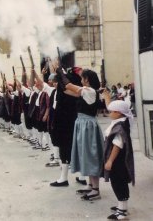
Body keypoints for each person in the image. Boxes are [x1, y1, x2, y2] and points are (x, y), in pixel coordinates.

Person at [56, 67, 104, 200]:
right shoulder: (85, 91)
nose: (81, 79)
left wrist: (62, 74)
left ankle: (95, 189)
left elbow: (70, 86)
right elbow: (67, 90)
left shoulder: (89, 91)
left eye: (82, 78)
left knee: (90, 155)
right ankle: (90, 185)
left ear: (87, 80)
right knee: (87, 155)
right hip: (83, 125)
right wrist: (60, 77)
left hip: (88, 126)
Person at [102, 92, 135, 220]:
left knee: (118, 183)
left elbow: (117, 145)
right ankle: (122, 206)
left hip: (117, 161)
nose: (109, 113)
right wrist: (107, 97)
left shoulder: (120, 126)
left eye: (111, 111)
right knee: (119, 182)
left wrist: (110, 161)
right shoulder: (121, 121)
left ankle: (122, 211)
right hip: (118, 160)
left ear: (119, 113)